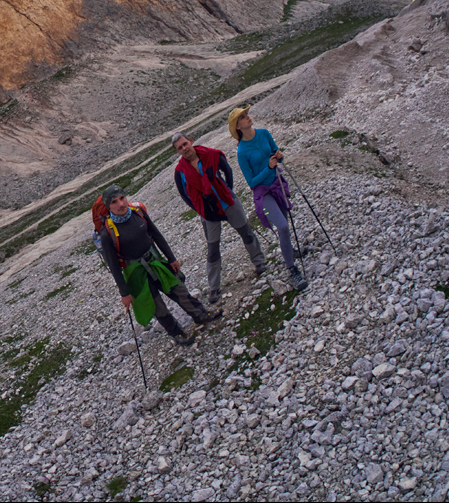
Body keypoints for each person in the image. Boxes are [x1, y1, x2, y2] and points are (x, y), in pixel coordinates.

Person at [97, 184, 220, 346]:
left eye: (122, 198)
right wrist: (124, 293)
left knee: (178, 290)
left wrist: (171, 258)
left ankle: (201, 316)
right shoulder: (107, 233)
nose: (121, 204)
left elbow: (156, 234)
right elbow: (114, 266)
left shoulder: (138, 213)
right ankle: (177, 333)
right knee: (157, 307)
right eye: (114, 201)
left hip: (155, 261)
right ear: (108, 206)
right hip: (136, 274)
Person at [172, 131, 267, 305]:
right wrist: (200, 209)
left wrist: (228, 191)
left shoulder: (212, 155)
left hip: (227, 202)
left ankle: (259, 262)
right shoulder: (180, 172)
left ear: (191, 141)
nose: (184, 149)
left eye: (185, 144)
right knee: (213, 248)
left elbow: (227, 170)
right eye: (180, 148)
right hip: (208, 212)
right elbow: (185, 196)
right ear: (177, 151)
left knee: (245, 231)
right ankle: (214, 286)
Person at [229, 106, 308, 291]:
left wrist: (279, 156)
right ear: (238, 126)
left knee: (284, 227)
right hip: (263, 193)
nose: (248, 117)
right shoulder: (242, 152)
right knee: (282, 226)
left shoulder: (264, 133)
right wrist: (269, 168)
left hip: (277, 184)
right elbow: (252, 182)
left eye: (246, 114)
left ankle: (291, 252)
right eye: (243, 117)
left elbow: (276, 153)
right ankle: (292, 270)